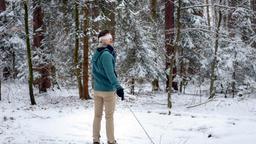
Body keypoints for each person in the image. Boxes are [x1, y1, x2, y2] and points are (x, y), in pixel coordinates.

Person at [91, 30, 124, 144]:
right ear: (106, 41)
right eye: (111, 39)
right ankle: (111, 141)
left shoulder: (97, 53)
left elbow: (97, 72)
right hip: (108, 91)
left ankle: (96, 140)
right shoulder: (106, 55)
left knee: (97, 116)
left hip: (97, 90)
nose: (112, 41)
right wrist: (118, 87)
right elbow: (110, 74)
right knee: (109, 117)